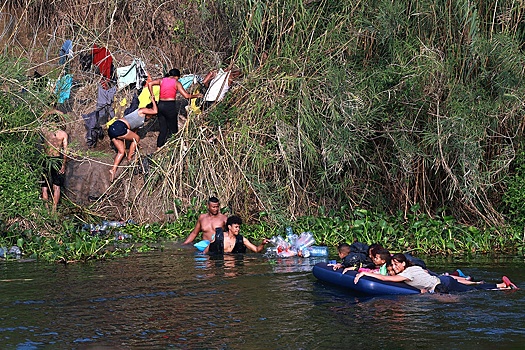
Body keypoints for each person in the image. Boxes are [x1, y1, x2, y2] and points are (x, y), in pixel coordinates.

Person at [354, 253, 518, 293]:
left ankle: (504, 287)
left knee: (473, 291)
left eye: (397, 264)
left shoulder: (407, 273)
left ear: (404, 264)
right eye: (394, 265)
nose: (395, 268)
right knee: (473, 287)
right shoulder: (413, 268)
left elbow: (383, 277)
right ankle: (501, 285)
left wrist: (365, 274)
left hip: (443, 284)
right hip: (443, 280)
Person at [147, 68, 202, 149]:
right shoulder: (177, 83)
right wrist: (197, 96)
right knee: (174, 129)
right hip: (170, 106)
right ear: (177, 76)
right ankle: (175, 147)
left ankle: (158, 148)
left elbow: (150, 84)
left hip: (160, 105)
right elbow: (186, 96)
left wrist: (152, 95)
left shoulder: (162, 80)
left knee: (163, 129)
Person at [107, 96, 157, 182]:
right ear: (149, 112)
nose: (150, 118)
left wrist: (135, 145)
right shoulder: (142, 110)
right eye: (151, 116)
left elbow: (133, 134)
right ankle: (129, 158)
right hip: (120, 127)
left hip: (113, 129)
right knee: (137, 138)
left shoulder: (141, 123)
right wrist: (153, 101)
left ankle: (113, 170)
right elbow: (155, 110)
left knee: (121, 152)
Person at [40, 109, 68, 213]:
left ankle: (46, 209)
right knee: (56, 186)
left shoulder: (44, 131)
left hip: (46, 159)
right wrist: (63, 165)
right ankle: (54, 210)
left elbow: (41, 120)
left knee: (44, 185)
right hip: (57, 160)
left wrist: (49, 111)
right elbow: (65, 152)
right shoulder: (63, 134)